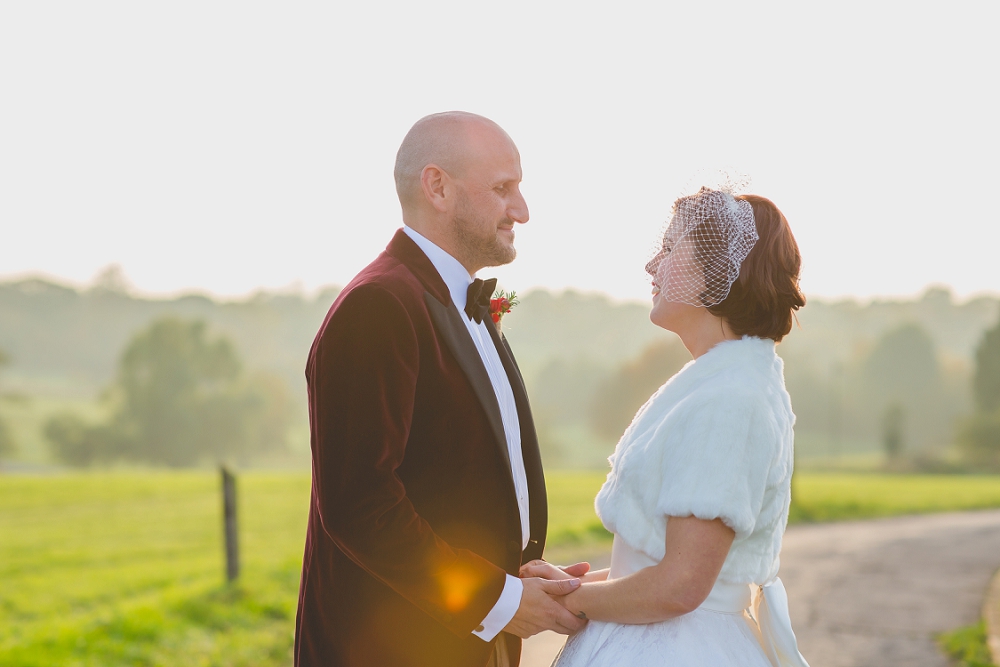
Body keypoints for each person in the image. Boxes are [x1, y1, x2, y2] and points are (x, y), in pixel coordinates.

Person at [293, 111, 587, 667]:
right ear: (437, 187)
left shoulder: (456, 303)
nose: (522, 210)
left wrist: (516, 576)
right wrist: (496, 600)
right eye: (504, 189)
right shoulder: (379, 306)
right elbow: (360, 504)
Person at [524, 186, 810, 667]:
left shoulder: (730, 397)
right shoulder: (722, 381)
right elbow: (663, 567)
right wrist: (568, 583)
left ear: (718, 272)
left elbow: (680, 586)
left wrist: (567, 603)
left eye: (670, 248)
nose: (651, 265)